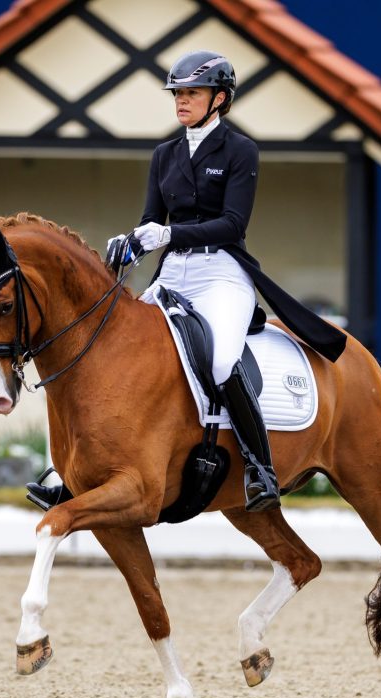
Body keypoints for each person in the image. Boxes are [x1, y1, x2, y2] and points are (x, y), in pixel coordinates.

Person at [28, 51, 347, 513]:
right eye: (177, 93)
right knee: (109, 350)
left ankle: (259, 469)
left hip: (222, 273)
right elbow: (150, 221)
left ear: (219, 99)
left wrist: (169, 233)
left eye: (191, 93)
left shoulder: (241, 151)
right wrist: (134, 240)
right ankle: (69, 471)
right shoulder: (165, 155)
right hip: (174, 273)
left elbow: (233, 224)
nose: (181, 101)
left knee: (219, 361)